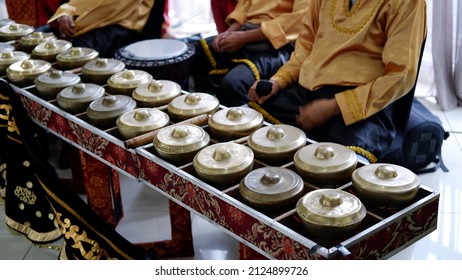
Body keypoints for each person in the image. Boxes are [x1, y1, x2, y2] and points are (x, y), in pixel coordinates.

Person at [247, 0, 427, 163]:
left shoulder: (409, 3)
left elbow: (400, 76)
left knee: (337, 164)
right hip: (309, 91)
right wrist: (278, 81)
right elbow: (305, 47)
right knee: (255, 128)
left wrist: (336, 106)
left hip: (362, 107)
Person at [190, 0, 310, 107]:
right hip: (245, 30)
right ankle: (201, 112)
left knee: (233, 84)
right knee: (192, 54)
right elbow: (244, 6)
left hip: (279, 43)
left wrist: (245, 38)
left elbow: (298, 21)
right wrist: (228, 33)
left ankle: (237, 126)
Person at [46, 0, 157, 58]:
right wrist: (65, 12)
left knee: (74, 56)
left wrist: (69, 15)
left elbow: (104, 8)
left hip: (117, 25)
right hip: (83, 23)